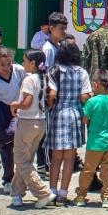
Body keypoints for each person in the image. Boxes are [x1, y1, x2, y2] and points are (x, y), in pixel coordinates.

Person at [46, 39, 92, 205]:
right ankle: (63, 193)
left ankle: (52, 191)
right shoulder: (82, 72)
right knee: (70, 157)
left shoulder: (54, 70)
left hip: (58, 113)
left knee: (56, 156)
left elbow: (52, 94)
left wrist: (50, 105)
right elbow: (85, 96)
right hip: (74, 114)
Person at [8, 50, 55, 208]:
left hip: (27, 122)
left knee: (21, 160)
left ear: (33, 63)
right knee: (25, 160)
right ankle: (16, 193)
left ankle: (43, 192)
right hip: (40, 122)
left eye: (25, 61)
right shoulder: (45, 78)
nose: (23, 64)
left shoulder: (29, 79)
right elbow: (50, 97)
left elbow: (27, 103)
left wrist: (15, 105)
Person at [75, 69, 108, 208]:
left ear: (96, 84)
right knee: (107, 172)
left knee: (88, 171)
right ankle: (107, 197)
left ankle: (81, 195)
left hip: (95, 143)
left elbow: (85, 120)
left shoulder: (92, 101)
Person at [0, 46, 26, 195]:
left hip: (18, 108)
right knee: (6, 147)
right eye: (2, 65)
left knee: (12, 133)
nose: (7, 68)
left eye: (9, 64)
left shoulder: (19, 70)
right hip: (3, 109)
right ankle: (8, 179)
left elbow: (28, 86)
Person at [37, 12, 70, 175]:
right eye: (61, 28)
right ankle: (44, 165)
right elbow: (47, 75)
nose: (64, 31)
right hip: (51, 97)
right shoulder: (48, 49)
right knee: (47, 133)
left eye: (65, 28)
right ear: (51, 28)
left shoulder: (58, 46)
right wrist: (50, 98)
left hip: (57, 96)